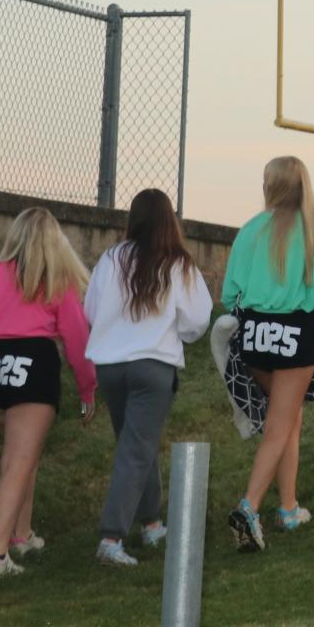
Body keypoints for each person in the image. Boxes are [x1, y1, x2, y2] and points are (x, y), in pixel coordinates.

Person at [0, 207, 95, 578]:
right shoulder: (57, 278)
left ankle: (21, 535)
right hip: (32, 366)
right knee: (17, 462)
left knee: (23, 454)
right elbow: (77, 340)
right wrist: (88, 388)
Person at [221, 156, 314, 553]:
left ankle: (289, 507)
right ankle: (249, 507)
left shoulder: (250, 230)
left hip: (255, 335)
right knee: (280, 426)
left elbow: (230, 294)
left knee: (288, 418)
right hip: (297, 334)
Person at [83, 188, 213, 568]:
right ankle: (111, 537)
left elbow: (91, 309)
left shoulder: (110, 258)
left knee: (136, 443)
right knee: (136, 448)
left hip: (109, 365)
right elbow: (197, 320)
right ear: (169, 219)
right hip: (153, 366)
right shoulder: (178, 263)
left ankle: (152, 523)